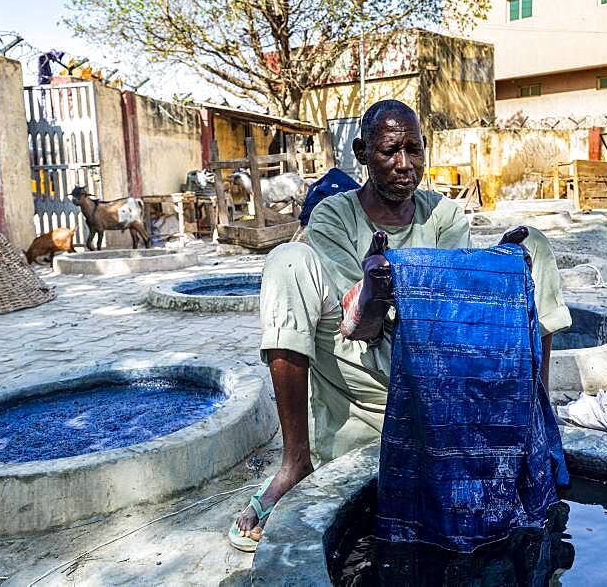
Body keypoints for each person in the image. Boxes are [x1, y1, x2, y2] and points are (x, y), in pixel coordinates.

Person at [229, 99, 572, 551]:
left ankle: (534, 429)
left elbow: (454, 318)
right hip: (363, 370)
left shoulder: (443, 214)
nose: (404, 165)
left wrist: (495, 274)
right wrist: (372, 292)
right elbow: (361, 328)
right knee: (287, 260)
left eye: (414, 149)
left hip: (437, 367)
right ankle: (295, 464)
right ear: (362, 152)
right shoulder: (334, 215)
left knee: (535, 249)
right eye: (390, 150)